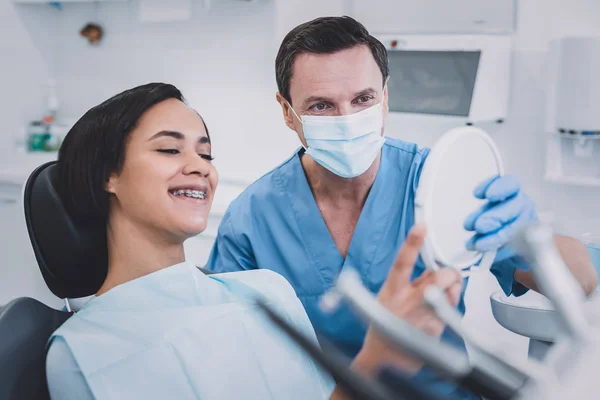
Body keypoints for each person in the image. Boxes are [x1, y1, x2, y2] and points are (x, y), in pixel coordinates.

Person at [205, 16, 598, 399]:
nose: (347, 120)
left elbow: (585, 283)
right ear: (287, 111)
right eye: (321, 106)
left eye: (363, 99)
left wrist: (528, 239)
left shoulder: (440, 182)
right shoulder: (251, 219)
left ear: (385, 97)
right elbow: (229, 359)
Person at [45, 82, 464, 400]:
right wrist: (376, 361)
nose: (200, 168)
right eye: (170, 150)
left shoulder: (263, 290)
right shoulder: (83, 352)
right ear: (107, 175)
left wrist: (384, 354)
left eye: (206, 154)